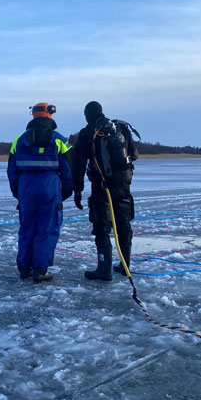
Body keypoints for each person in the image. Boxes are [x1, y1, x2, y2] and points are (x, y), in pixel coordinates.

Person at [72, 101, 139, 280]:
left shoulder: (88, 133)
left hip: (101, 187)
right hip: (123, 186)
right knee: (124, 226)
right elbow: (134, 155)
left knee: (102, 227)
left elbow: (79, 165)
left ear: (87, 115)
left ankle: (104, 269)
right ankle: (125, 266)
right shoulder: (119, 127)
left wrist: (77, 190)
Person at [7, 102, 73, 282]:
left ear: (33, 116)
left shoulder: (19, 140)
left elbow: (11, 170)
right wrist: (66, 192)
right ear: (50, 115)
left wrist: (17, 192)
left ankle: (24, 268)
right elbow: (68, 169)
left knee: (27, 227)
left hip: (26, 185)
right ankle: (40, 270)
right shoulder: (59, 139)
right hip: (49, 185)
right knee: (47, 228)